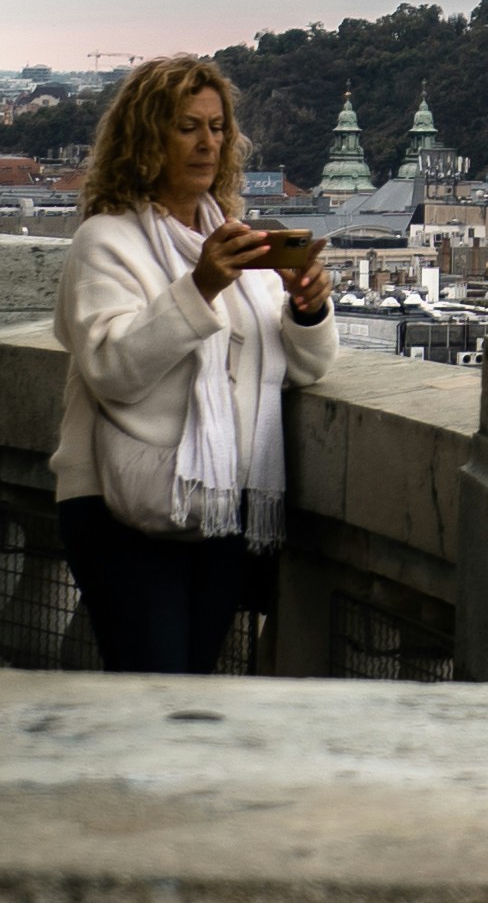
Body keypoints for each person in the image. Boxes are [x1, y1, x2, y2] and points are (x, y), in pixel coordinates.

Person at [51, 56, 337, 675]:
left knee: (191, 687)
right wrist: (200, 287)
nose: (208, 143)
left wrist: (308, 309)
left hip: (218, 507)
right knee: (154, 689)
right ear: (145, 139)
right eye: (187, 127)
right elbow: (111, 368)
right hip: (119, 507)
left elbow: (302, 370)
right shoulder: (105, 242)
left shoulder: (235, 243)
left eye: (217, 127)